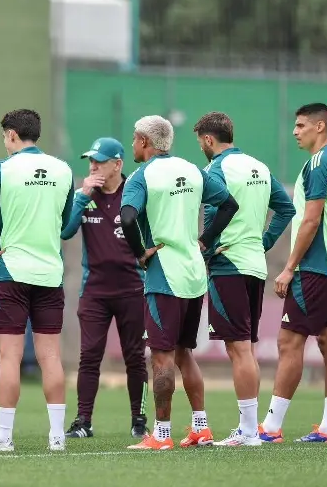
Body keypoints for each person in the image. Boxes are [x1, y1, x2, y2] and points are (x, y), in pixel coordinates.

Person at [120, 115, 239, 450]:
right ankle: (201, 427)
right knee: (184, 353)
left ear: (144, 141)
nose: (132, 145)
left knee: (161, 358)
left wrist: (140, 253)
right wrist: (205, 241)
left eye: (134, 138)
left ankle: (161, 435)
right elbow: (229, 204)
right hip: (193, 273)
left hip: (164, 275)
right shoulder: (192, 169)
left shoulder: (142, 176)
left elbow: (127, 217)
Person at [0, 109, 74, 452]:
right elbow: (68, 225)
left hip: (11, 272)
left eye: (4, 137)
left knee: (9, 358)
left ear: (12, 135)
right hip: (50, 273)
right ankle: (57, 437)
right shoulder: (63, 170)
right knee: (51, 357)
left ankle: (4, 437)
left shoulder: (1, 168)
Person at [192, 112, 295, 446]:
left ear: (208, 139)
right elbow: (286, 209)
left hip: (229, 265)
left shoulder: (215, 170)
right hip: (254, 266)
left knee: (238, 351)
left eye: (200, 142)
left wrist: (204, 250)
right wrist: (263, 243)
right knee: (246, 350)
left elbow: (216, 211)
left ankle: (249, 432)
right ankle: (248, 428)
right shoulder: (260, 167)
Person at [259, 103, 327, 444]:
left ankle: (270, 428)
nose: (295, 131)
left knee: (289, 341)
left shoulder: (319, 163)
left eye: (301, 125)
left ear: (319, 126)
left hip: (316, 265)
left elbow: (312, 219)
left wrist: (288, 268)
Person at [60, 137, 148, 439]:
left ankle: (139, 420)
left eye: (99, 160)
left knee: (135, 357)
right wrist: (82, 194)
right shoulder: (85, 195)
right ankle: (83, 421)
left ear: (118, 164)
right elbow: (66, 230)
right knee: (89, 356)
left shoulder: (133, 192)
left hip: (133, 288)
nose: (93, 166)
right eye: (91, 160)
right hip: (94, 290)